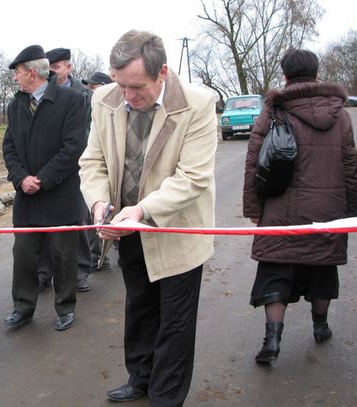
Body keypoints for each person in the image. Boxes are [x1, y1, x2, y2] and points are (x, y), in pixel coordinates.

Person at [79, 30, 217, 406]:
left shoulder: (198, 105)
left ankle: (165, 397)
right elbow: (93, 161)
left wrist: (142, 209)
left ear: (163, 74)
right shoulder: (104, 100)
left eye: (136, 86)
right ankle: (140, 377)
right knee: (139, 306)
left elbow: (193, 178)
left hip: (177, 230)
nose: (127, 96)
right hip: (126, 230)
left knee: (175, 320)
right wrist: (98, 203)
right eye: (120, 84)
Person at [243, 48, 357, 364]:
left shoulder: (274, 110)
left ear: (285, 76)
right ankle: (320, 328)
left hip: (280, 211)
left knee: (276, 270)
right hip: (328, 211)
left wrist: (254, 208)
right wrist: (350, 213)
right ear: (317, 73)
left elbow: (254, 161)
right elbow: (350, 165)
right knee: (322, 268)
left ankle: (272, 341)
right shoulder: (341, 114)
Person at [2, 45, 87, 331]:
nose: (15, 78)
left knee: (63, 256)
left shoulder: (71, 100)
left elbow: (74, 146)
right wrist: (20, 178)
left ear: (31, 72)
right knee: (24, 256)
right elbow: (9, 147)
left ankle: (65, 308)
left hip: (59, 196)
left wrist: (44, 179)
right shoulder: (15, 106)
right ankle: (22, 308)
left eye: (17, 72)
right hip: (27, 199)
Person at [38, 47, 105, 293]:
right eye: (49, 68)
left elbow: (89, 131)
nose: (52, 73)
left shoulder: (85, 95)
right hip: (47, 167)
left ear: (68, 67)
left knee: (77, 221)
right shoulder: (42, 93)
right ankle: (44, 272)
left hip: (77, 165)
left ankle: (79, 271)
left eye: (55, 68)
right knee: (43, 222)